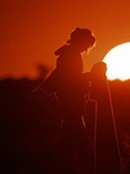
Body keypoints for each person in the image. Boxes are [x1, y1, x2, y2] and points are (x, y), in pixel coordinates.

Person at [35, 28, 96, 173]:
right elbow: (70, 79)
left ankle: (58, 164)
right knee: (77, 138)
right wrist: (90, 77)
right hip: (70, 102)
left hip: (70, 101)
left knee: (69, 135)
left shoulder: (69, 54)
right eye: (86, 44)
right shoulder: (70, 56)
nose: (87, 48)